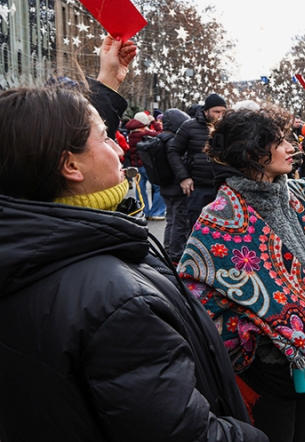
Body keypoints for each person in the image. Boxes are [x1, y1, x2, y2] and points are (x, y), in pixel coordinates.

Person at [0, 86, 266, 442]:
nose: (120, 147)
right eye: (106, 137)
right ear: (70, 165)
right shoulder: (116, 302)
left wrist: (106, 85)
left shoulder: (26, 251)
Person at [178, 104, 305, 442]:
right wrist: (264, 344)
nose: (291, 147)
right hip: (265, 382)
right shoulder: (217, 218)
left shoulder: (300, 196)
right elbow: (197, 302)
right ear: (253, 153)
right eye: (279, 141)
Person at [168, 92, 228, 230]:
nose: (220, 115)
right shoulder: (189, 126)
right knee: (197, 229)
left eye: (223, 112)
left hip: (223, 187)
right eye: (216, 111)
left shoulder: (228, 128)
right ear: (206, 111)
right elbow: (174, 152)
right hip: (198, 188)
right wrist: (184, 177)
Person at [160, 108, 192, 263]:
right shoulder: (173, 142)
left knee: (171, 220)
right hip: (177, 187)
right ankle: (175, 255)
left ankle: (168, 249)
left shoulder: (161, 138)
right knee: (180, 222)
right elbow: (181, 163)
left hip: (166, 187)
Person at [126, 111, 167, 220]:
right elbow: (161, 133)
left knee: (140, 189)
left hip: (136, 165)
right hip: (147, 165)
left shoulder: (131, 134)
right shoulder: (145, 134)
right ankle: (156, 212)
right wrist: (154, 121)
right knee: (159, 187)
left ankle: (144, 212)